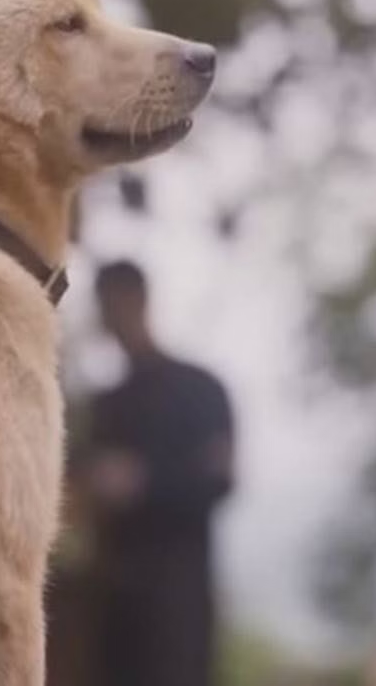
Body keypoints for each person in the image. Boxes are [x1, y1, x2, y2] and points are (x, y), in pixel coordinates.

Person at [82, 260, 235, 686]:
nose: (110, 317)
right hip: (113, 605)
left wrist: (141, 481)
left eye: (114, 303)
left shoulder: (201, 390)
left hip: (178, 607)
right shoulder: (105, 406)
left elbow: (219, 479)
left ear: (138, 299)